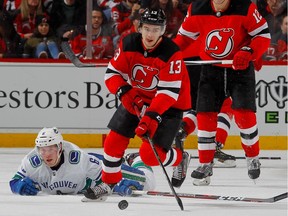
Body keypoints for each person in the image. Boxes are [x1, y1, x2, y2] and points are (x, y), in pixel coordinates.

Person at [83, 8, 191, 201]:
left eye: (156, 30)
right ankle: (108, 182)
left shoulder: (171, 52)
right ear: (140, 27)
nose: (150, 34)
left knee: (150, 156)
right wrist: (126, 93)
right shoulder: (129, 43)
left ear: (163, 30)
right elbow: (112, 74)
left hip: (168, 106)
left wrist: (151, 117)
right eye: (147, 28)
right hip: (137, 99)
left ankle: (180, 158)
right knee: (112, 142)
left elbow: (168, 93)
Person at [174, 0, 271, 185]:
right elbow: (183, 39)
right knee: (205, 116)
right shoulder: (196, 9)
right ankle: (205, 164)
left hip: (240, 70)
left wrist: (249, 51)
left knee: (244, 115)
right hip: (211, 70)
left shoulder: (245, 7)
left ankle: (252, 157)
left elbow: (263, 35)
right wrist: (166, 55)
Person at [9, 127, 155, 196]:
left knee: (147, 182)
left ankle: (136, 158)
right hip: (84, 184)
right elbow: (14, 180)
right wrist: (18, 186)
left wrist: (117, 183)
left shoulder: (79, 159)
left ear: (60, 147)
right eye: (42, 149)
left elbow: (107, 177)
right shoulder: (32, 162)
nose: (46, 154)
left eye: (50, 149)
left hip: (96, 166)